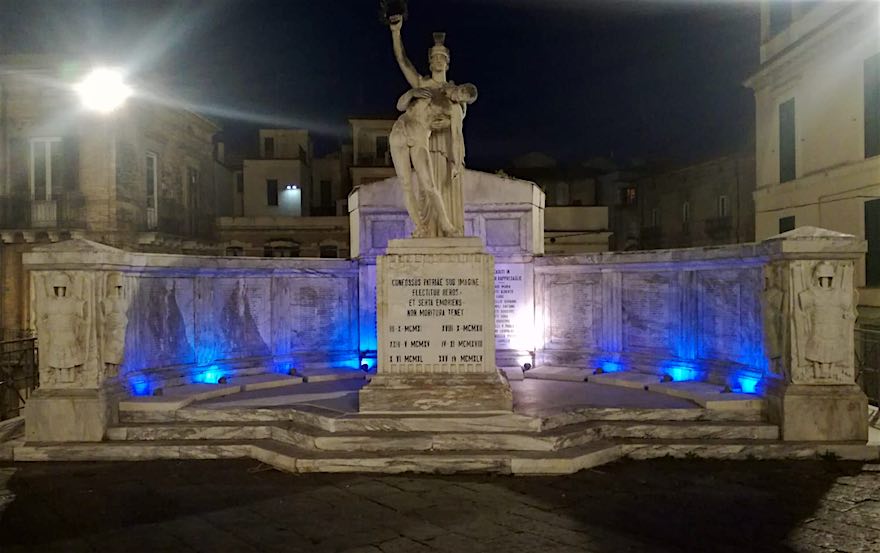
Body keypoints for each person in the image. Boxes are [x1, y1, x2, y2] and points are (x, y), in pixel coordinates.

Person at [387, 14, 478, 238]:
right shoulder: (422, 83)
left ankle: (446, 224)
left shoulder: (453, 106)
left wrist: (457, 162)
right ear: (432, 61)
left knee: (428, 185)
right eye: (435, 57)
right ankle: (420, 226)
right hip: (400, 131)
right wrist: (396, 32)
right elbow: (402, 60)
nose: (438, 61)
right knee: (406, 185)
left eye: (442, 58)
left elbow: (456, 136)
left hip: (419, 138)